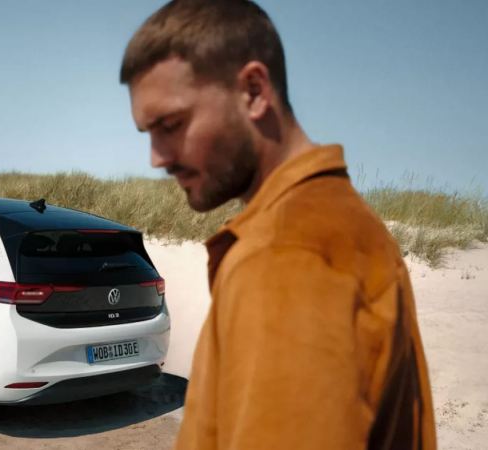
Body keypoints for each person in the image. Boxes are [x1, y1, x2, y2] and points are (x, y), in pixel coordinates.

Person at [119, 1, 436, 449]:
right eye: (148, 133)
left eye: (170, 124)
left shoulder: (287, 252)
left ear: (253, 90)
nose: (158, 158)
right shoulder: (340, 219)